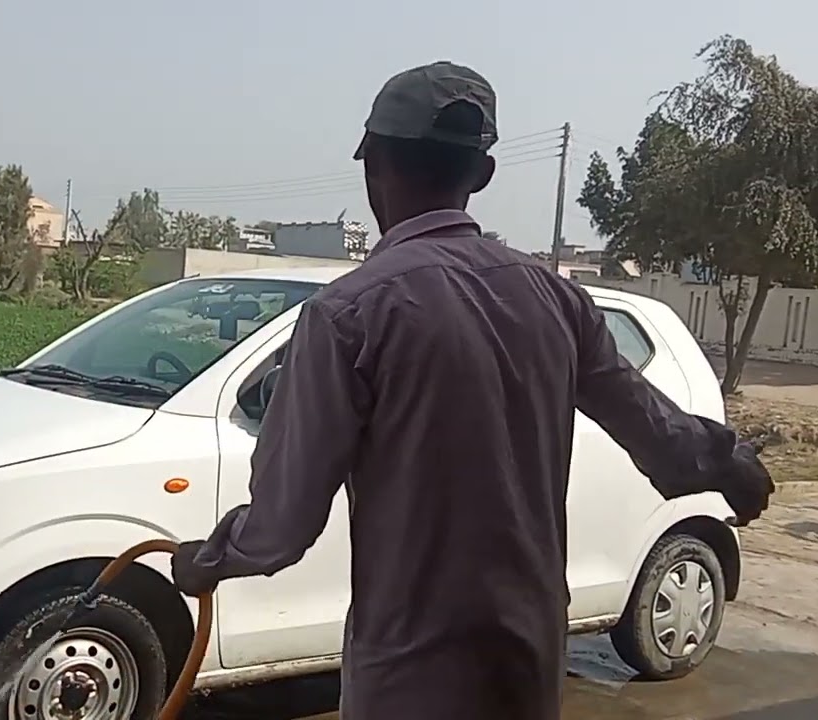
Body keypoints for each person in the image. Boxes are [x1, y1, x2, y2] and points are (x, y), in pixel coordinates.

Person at [168, 61, 775, 720]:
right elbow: (659, 435)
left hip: (411, 670)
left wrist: (207, 559)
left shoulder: (348, 315)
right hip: (526, 657)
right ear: (481, 176)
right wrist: (730, 461)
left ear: (373, 167)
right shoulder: (558, 301)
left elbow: (282, 528)